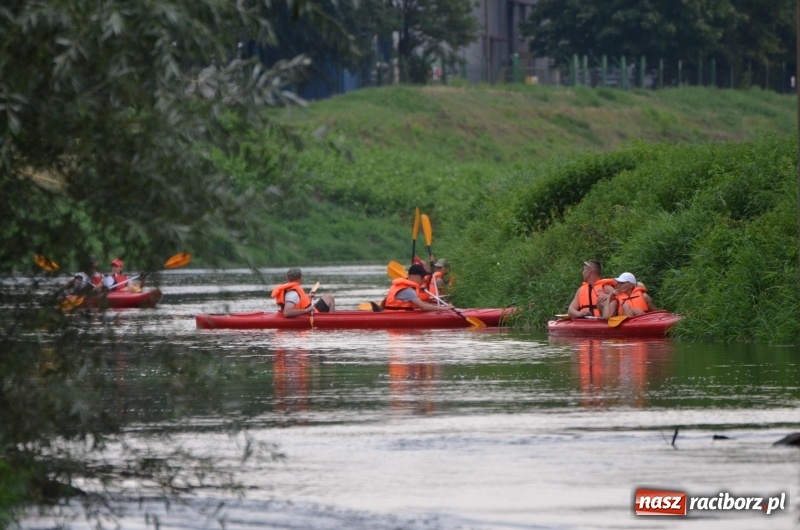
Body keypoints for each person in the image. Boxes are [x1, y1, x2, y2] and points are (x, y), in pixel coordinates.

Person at [383, 264, 453, 311]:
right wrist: (445, 309)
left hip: (393, 314)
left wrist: (440, 306)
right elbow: (424, 307)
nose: (424, 279)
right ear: (412, 276)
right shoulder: (408, 290)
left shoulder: (399, 286)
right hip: (396, 317)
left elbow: (421, 305)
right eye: (422, 277)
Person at [271, 267, 335, 317]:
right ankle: (332, 320)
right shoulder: (293, 293)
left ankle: (331, 317)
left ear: (287, 278)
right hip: (309, 314)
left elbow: (295, 301)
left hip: (308, 311)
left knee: (328, 297)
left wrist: (307, 297)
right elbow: (287, 313)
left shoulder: (290, 291)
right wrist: (307, 310)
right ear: (300, 278)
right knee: (330, 298)